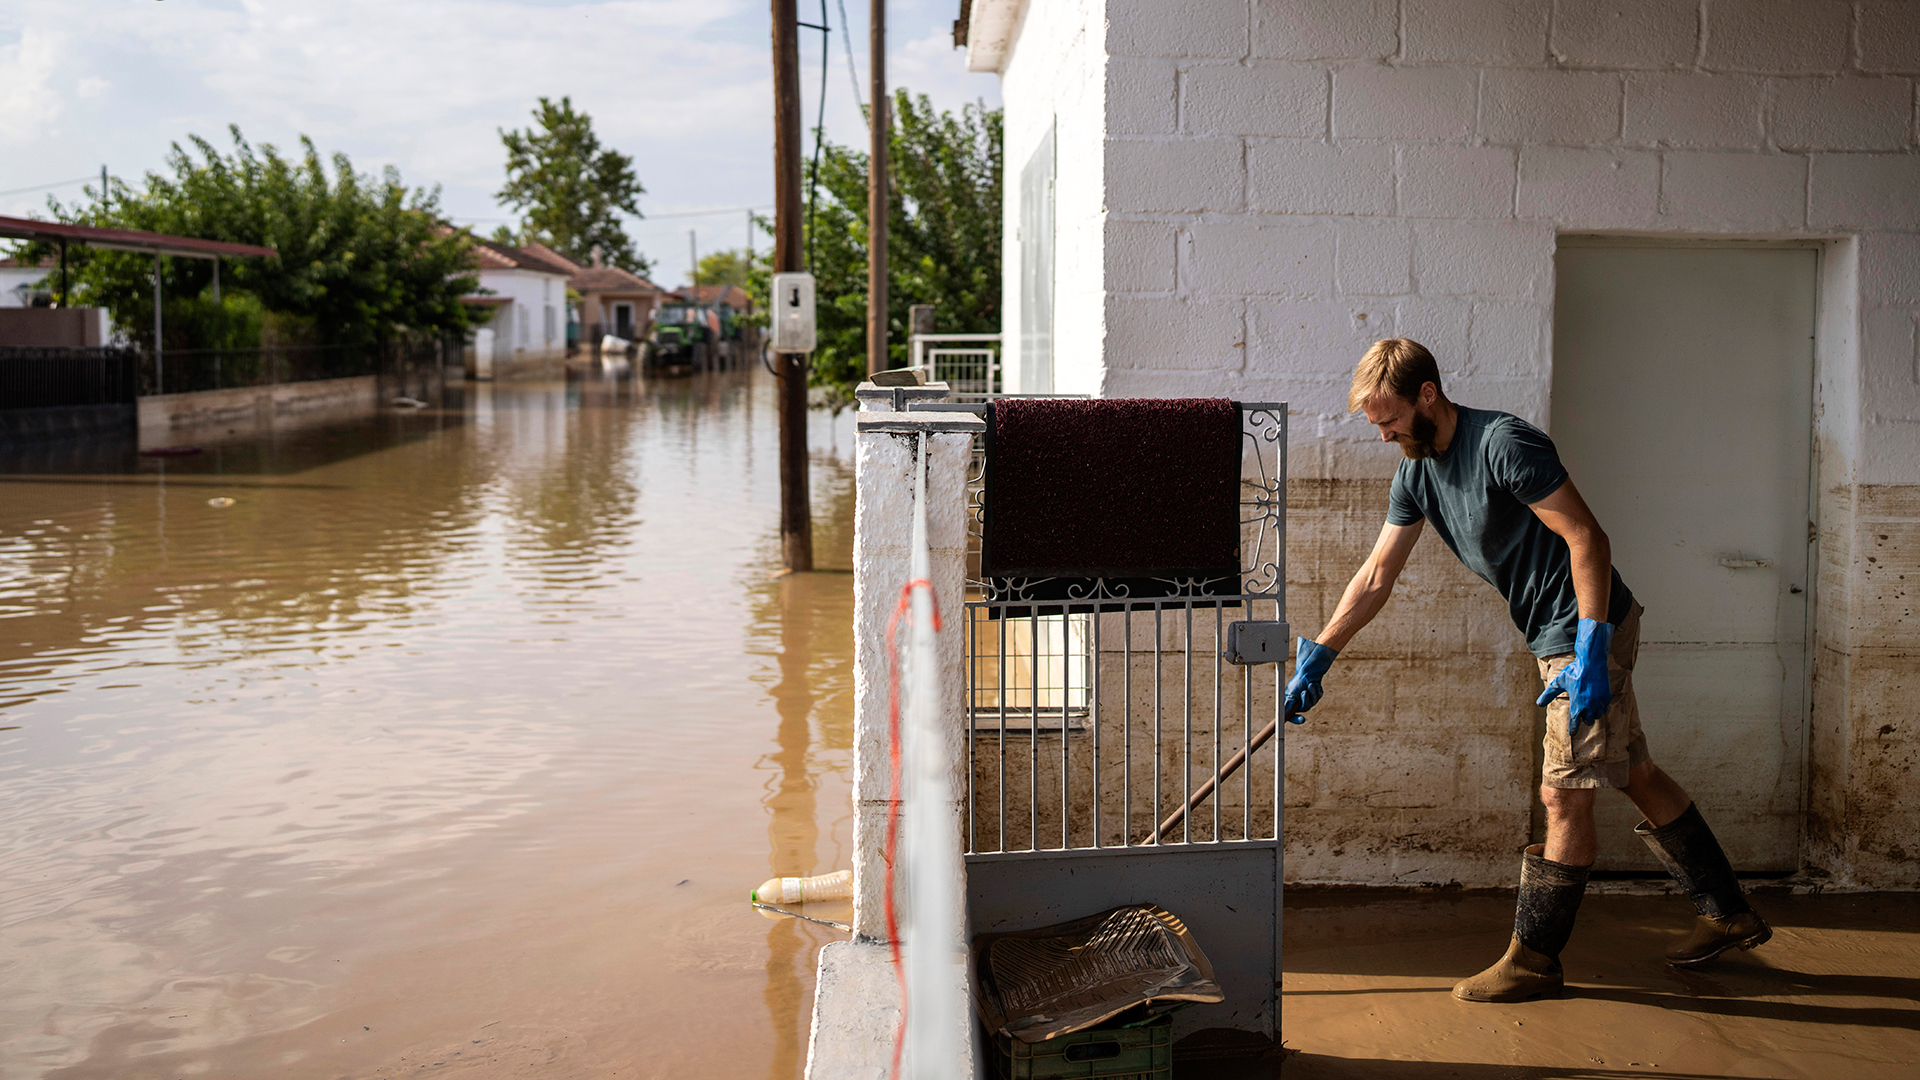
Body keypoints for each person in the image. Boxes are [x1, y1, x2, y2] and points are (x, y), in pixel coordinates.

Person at [1283, 338, 1771, 1003]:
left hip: (1584, 630)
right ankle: (1727, 912)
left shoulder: (1502, 444)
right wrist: (1324, 651)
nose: (1382, 431)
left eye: (1388, 416)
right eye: (1373, 421)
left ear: (1428, 395)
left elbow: (1587, 538)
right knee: (1632, 769)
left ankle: (1534, 960)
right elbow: (1375, 576)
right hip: (1558, 635)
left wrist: (1592, 649)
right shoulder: (1417, 472)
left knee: (1563, 793)